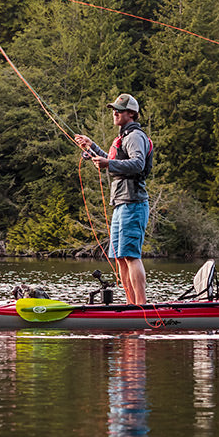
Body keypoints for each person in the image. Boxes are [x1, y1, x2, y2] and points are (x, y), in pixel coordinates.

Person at [75, 94, 152, 305]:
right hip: (120, 204)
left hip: (133, 203)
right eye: (114, 109)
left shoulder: (135, 136)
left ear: (131, 114)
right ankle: (130, 304)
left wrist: (107, 164)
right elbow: (114, 160)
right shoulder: (123, 137)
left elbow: (137, 164)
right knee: (119, 256)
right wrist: (91, 148)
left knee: (131, 256)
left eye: (119, 109)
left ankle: (140, 306)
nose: (115, 112)